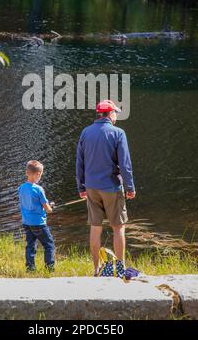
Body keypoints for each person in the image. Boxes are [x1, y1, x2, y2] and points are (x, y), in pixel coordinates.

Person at [76, 100, 136, 275]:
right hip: (111, 188)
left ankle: (96, 270)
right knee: (118, 227)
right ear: (109, 114)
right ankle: (120, 269)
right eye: (115, 112)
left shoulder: (85, 132)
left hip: (91, 188)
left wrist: (81, 187)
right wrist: (130, 186)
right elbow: (125, 164)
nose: (116, 115)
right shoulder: (118, 133)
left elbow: (79, 163)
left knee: (95, 228)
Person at [18, 160, 55, 271]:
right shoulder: (39, 189)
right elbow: (47, 209)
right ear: (38, 174)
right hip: (38, 223)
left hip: (26, 223)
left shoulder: (21, 188)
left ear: (27, 173)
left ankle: (30, 268)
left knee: (30, 245)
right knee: (49, 245)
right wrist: (51, 207)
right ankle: (49, 269)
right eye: (40, 175)